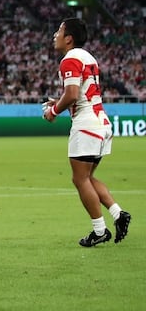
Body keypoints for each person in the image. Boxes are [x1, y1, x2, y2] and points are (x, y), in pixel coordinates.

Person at [42, 18, 131, 247]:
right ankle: (118, 214)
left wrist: (53, 110)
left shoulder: (69, 60)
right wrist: (60, 102)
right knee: (88, 178)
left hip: (86, 126)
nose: (55, 34)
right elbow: (80, 94)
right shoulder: (88, 57)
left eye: (59, 31)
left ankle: (99, 230)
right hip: (100, 122)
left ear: (69, 38)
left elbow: (72, 94)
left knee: (79, 179)